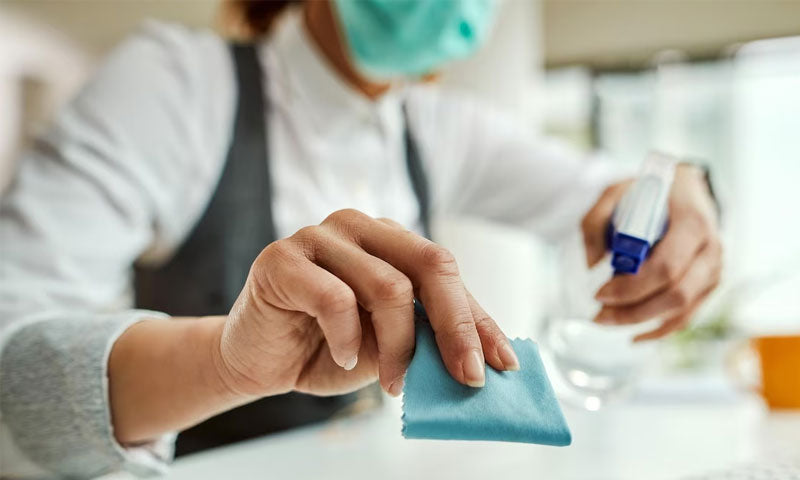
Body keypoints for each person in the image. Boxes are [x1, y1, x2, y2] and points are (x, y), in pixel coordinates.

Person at [0, 0, 722, 477]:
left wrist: (678, 186)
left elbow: (607, 193)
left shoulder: (439, 127)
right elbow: (11, 376)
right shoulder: (173, 87)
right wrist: (226, 364)